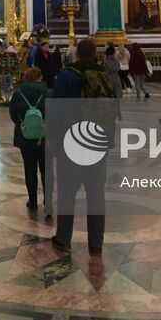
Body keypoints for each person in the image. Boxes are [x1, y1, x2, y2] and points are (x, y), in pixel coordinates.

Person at [50, 38, 116, 254]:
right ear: (95, 54)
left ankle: (63, 239)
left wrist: (53, 140)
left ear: (77, 54)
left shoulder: (67, 75)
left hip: (71, 141)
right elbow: (111, 109)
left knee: (67, 193)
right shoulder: (104, 75)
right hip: (98, 141)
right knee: (96, 193)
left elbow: (56, 110)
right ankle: (96, 243)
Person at [9, 67, 52, 217]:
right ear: (40, 78)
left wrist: (23, 126)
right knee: (46, 170)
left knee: (30, 169)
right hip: (45, 136)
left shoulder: (18, 93)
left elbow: (13, 114)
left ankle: (32, 201)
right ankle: (49, 201)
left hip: (25, 136)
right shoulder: (48, 93)